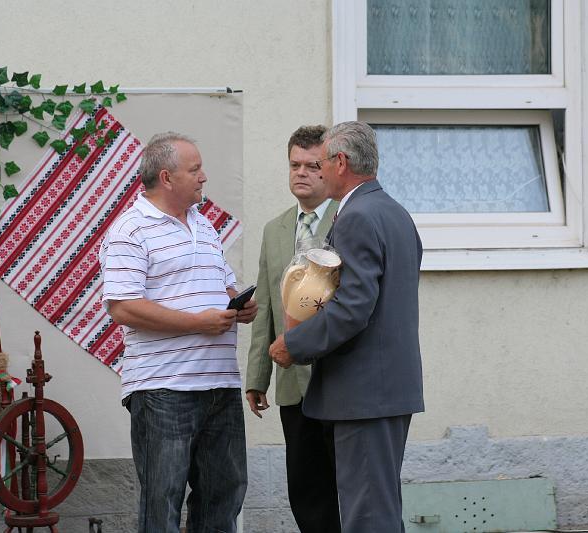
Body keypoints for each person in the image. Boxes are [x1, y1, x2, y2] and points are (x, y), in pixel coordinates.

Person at [269, 121, 424, 532]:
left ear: (340, 162)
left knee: (367, 518)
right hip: (387, 390)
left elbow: (353, 308)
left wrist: (293, 344)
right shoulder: (395, 212)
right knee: (379, 512)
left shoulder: (357, 216)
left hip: (363, 393)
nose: (316, 171)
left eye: (320, 163)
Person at [100, 132, 258, 533]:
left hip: (220, 384)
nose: (204, 176)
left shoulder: (204, 225)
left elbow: (223, 287)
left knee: (224, 496)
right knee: (162, 501)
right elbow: (123, 307)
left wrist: (239, 305)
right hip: (163, 389)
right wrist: (196, 323)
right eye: (195, 169)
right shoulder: (130, 230)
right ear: (167, 178)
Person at [244, 125, 341, 533]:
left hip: (338, 379)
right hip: (291, 384)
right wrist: (257, 377)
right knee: (305, 489)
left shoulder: (348, 217)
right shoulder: (275, 229)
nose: (301, 173)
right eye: (294, 165)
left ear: (331, 167)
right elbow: (266, 305)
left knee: (347, 489)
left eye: (312, 165)